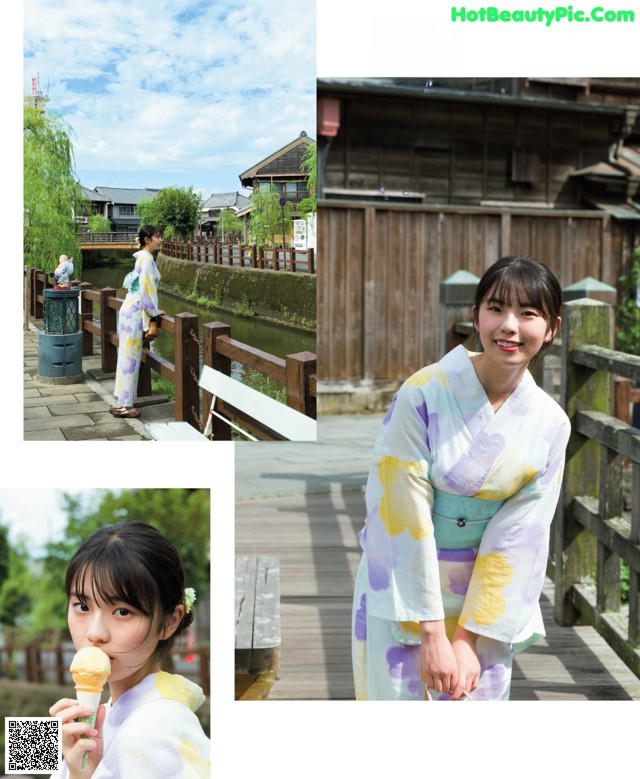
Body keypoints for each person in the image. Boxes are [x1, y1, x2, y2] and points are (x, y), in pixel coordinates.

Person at [352, 255, 571, 701]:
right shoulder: (423, 392)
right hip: (404, 583)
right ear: (476, 315)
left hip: (484, 600)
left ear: (552, 328)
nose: (509, 326)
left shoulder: (550, 423)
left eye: (528, 313)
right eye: (496, 309)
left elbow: (522, 535)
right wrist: (431, 631)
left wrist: (468, 638)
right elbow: (399, 508)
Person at [49, 521, 210, 778]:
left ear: (170, 621)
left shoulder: (156, 729)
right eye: (82, 606)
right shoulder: (94, 712)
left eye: (122, 611)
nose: (95, 633)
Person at [110, 225, 164, 418]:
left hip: (129, 307)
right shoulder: (147, 259)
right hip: (136, 310)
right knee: (131, 357)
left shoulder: (142, 257)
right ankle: (126, 405)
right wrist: (154, 313)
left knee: (125, 355)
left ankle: (122, 400)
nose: (160, 240)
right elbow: (147, 289)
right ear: (147, 240)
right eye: (157, 236)